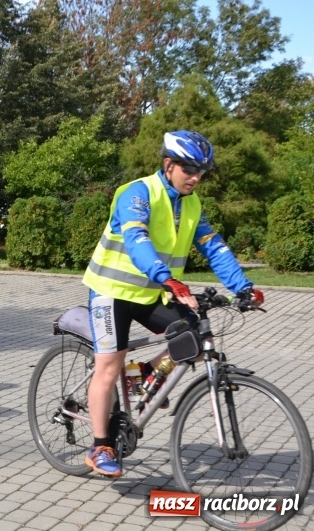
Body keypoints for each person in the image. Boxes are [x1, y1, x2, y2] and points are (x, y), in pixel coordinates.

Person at [81, 130, 264, 478]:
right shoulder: (138, 193)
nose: (195, 178)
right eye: (189, 170)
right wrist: (168, 278)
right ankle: (100, 445)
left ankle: (144, 373)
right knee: (109, 365)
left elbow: (214, 246)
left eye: (201, 172)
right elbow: (136, 238)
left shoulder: (192, 204)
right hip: (112, 291)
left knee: (195, 341)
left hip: (153, 294)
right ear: (169, 165)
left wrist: (243, 287)